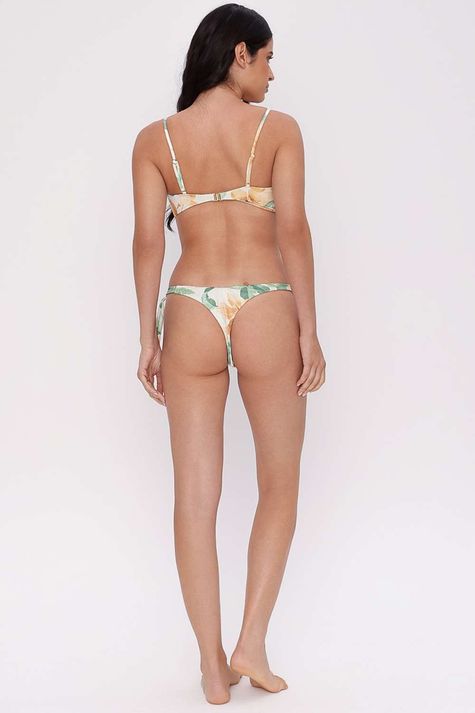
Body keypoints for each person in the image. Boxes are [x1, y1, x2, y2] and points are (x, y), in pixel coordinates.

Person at [132, 3, 326, 705]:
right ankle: (250, 641)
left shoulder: (156, 140)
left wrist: (148, 337)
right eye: (267, 58)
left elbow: (147, 243)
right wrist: (309, 330)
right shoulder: (278, 131)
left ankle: (213, 669)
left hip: (189, 308)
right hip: (265, 302)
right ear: (239, 53)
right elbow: (293, 229)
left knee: (193, 498)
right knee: (280, 483)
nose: (272, 75)